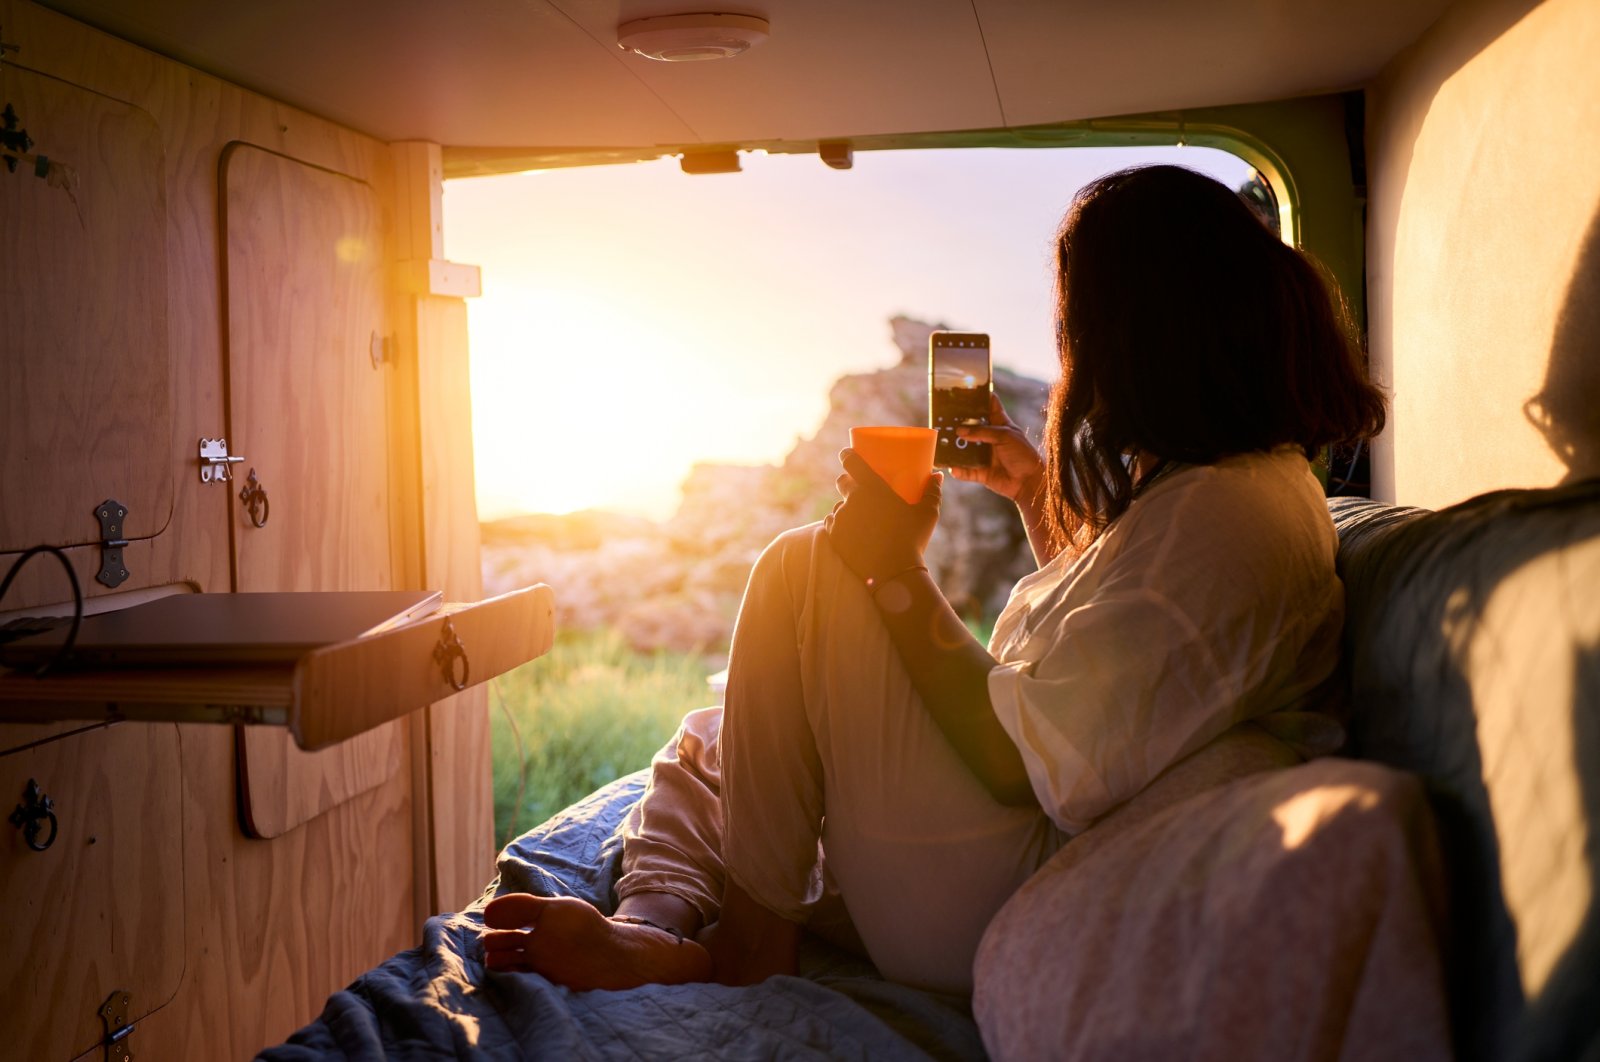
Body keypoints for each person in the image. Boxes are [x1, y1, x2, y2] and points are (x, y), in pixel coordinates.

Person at [479, 164, 1388, 994]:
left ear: (1134, 336)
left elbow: (1025, 760)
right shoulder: (1233, 489)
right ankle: (655, 925)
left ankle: (751, 942)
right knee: (723, 739)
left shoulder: (1227, 515)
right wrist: (1033, 491)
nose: (1070, 355)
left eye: (1073, 327)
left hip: (1011, 886)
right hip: (998, 863)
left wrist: (895, 572)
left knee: (801, 566)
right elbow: (1125, 659)